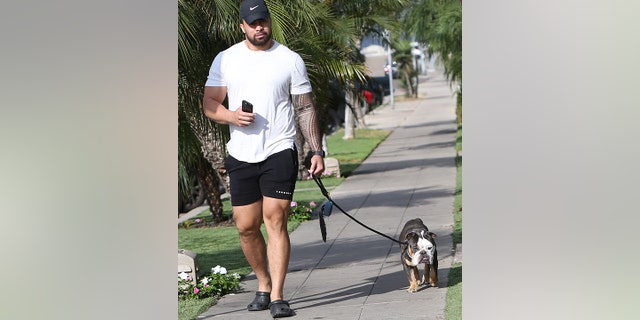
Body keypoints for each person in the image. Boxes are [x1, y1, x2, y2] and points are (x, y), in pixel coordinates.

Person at [202, 0, 325, 317]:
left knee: (275, 218)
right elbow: (210, 103)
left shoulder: (289, 60)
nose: (260, 27)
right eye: (253, 23)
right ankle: (263, 283)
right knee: (246, 226)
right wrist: (231, 116)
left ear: (270, 22)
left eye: (264, 21)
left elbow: (305, 107)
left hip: (279, 148)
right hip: (241, 153)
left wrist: (316, 149)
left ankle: (279, 296)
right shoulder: (226, 59)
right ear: (242, 25)